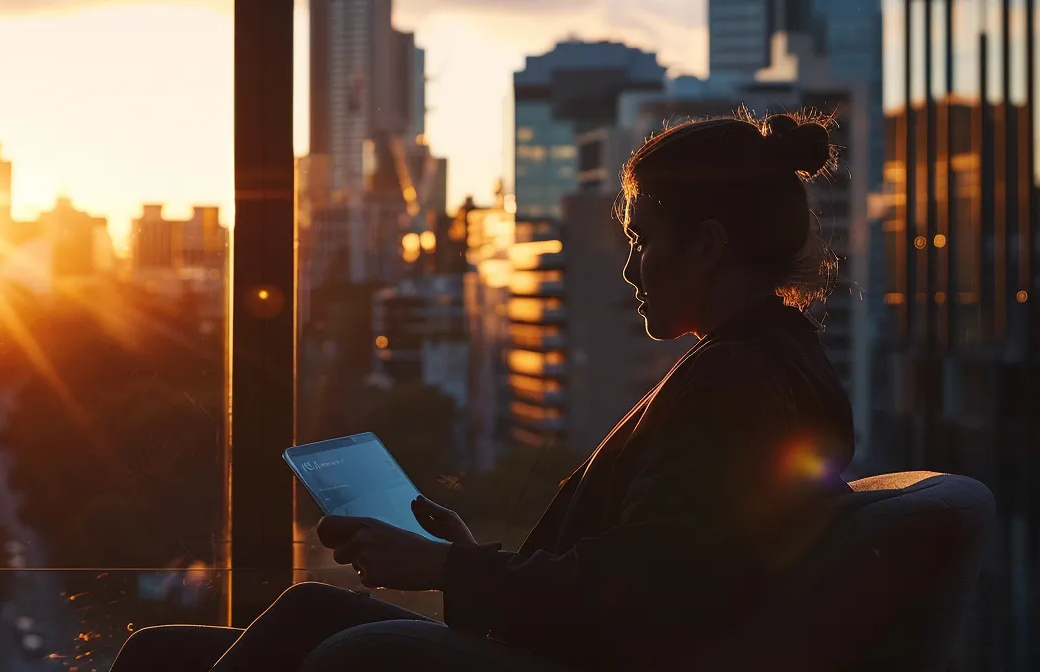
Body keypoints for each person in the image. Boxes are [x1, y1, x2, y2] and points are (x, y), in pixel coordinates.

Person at [109, 111, 855, 672]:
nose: (631, 270)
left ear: (708, 245)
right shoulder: (778, 362)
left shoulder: (734, 381)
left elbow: (641, 591)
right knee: (162, 652)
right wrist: (466, 558)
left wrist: (443, 568)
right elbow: (658, 565)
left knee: (294, 614)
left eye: (642, 241)